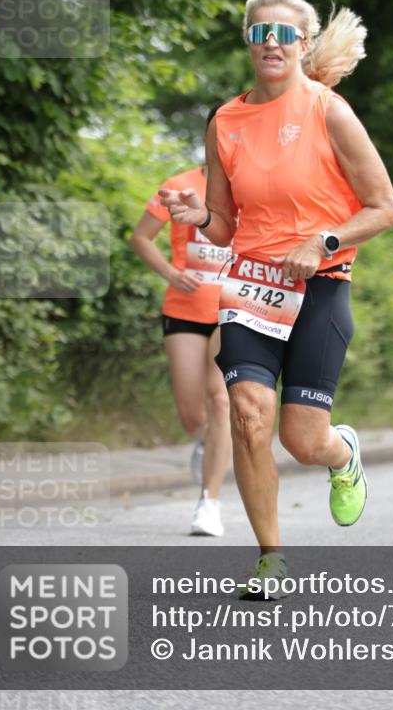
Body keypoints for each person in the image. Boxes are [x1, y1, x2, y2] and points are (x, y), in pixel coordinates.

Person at [160, 0, 393, 593]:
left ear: (304, 45)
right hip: (251, 284)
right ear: (247, 40)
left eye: (285, 33)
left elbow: (384, 209)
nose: (273, 41)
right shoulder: (225, 121)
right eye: (261, 31)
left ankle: (341, 453)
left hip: (320, 284)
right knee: (246, 414)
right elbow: (222, 221)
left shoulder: (330, 111)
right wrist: (195, 215)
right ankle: (271, 557)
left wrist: (320, 244)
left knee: (300, 439)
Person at [129, 106, 233, 535]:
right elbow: (140, 237)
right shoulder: (178, 185)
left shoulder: (249, 189)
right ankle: (205, 443)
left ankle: (209, 502)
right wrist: (171, 273)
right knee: (193, 415)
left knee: (221, 400)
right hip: (185, 310)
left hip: (234, 308)